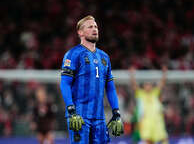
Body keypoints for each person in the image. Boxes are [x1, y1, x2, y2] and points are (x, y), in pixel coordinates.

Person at [60, 15, 123, 144]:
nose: (95, 29)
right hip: (79, 116)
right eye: (90, 27)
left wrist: (116, 112)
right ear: (80, 32)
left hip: (99, 118)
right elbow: (65, 84)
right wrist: (71, 110)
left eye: (96, 26)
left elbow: (110, 88)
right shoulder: (73, 54)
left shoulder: (104, 57)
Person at [129, 66, 169, 144]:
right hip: (146, 121)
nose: (148, 86)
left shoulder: (155, 92)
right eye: (146, 85)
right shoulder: (141, 94)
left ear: (151, 86)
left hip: (157, 120)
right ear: (143, 87)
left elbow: (161, 84)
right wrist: (132, 74)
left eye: (149, 85)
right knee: (149, 140)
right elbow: (134, 86)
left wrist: (164, 73)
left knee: (163, 138)